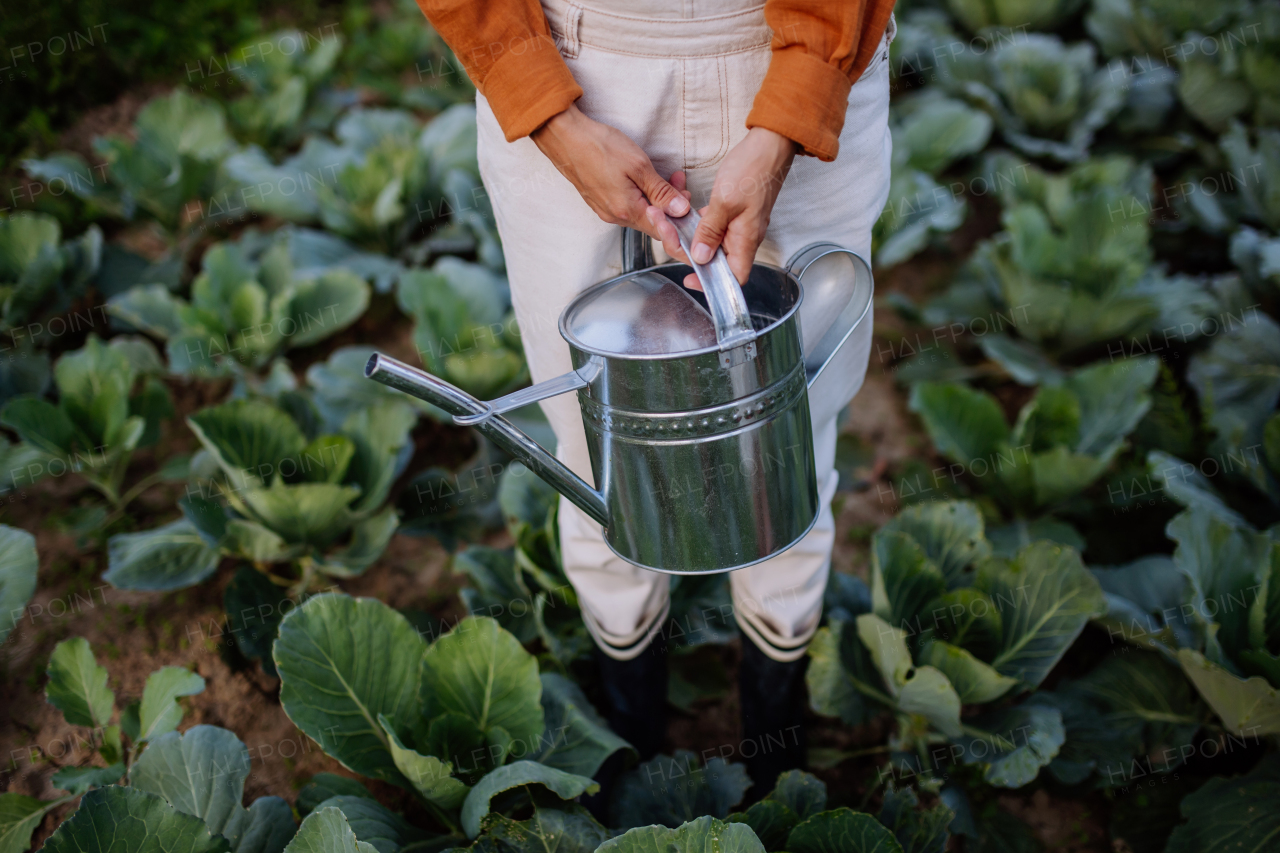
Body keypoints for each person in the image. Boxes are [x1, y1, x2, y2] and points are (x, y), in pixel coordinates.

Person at [414, 0, 897, 797]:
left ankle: (775, 750)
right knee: (592, 446)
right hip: (576, 60)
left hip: (803, 47)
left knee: (794, 443)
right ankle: (631, 739)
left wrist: (789, 116)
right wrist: (545, 110)